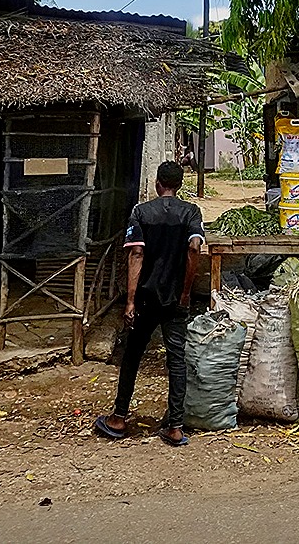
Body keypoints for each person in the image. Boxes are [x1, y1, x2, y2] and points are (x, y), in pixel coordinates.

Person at [94, 161, 204, 444]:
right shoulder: (191, 212)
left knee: (132, 355)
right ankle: (176, 426)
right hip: (175, 299)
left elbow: (136, 256)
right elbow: (194, 248)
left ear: (157, 184)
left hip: (145, 297)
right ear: (179, 185)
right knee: (176, 359)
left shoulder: (141, 212)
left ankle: (118, 418)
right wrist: (185, 291)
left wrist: (130, 301)